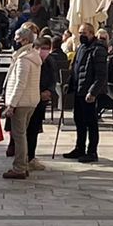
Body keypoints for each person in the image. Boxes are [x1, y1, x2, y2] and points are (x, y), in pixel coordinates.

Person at [1, 23, 45, 180]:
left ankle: (19, 167)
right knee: (22, 135)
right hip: (31, 100)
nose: (15, 41)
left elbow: (20, 83)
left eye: (18, 39)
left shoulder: (24, 59)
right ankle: (23, 164)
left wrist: (12, 104)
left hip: (21, 102)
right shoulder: (33, 56)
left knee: (19, 136)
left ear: (26, 40)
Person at [67, 22, 109, 163]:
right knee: (79, 120)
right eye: (80, 33)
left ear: (91, 33)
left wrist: (93, 92)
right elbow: (75, 68)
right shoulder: (80, 48)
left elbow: (101, 75)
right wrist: (70, 83)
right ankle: (79, 147)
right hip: (79, 90)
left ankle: (92, 151)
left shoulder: (98, 50)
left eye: (84, 33)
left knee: (91, 123)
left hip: (90, 93)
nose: (81, 35)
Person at [33, 28, 68, 164]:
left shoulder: (51, 61)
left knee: (36, 128)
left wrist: (49, 91)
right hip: (32, 97)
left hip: (43, 99)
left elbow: (54, 78)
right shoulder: (31, 61)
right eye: (42, 48)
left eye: (47, 48)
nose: (44, 51)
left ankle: (32, 155)